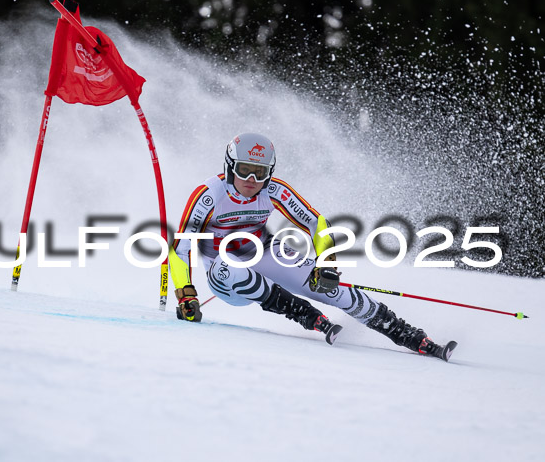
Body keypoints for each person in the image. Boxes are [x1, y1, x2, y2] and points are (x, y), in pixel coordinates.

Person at [168, 132, 456, 360]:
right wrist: (185, 294)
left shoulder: (274, 190)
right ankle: (304, 314)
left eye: (260, 172)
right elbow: (179, 250)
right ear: (230, 166)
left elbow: (317, 223)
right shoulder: (209, 195)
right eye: (244, 170)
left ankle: (407, 334)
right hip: (225, 274)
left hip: (263, 251)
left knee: (330, 287)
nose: (252, 180)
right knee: (231, 267)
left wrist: (326, 262)